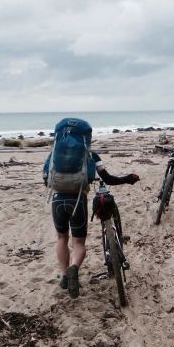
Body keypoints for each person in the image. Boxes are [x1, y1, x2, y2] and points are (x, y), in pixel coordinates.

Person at [43, 118, 139, 298]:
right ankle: (74, 268)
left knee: (61, 238)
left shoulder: (53, 154)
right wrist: (127, 178)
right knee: (78, 243)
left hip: (57, 200)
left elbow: (45, 178)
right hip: (77, 201)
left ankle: (64, 275)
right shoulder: (91, 156)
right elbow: (108, 179)